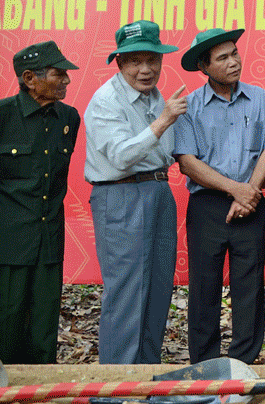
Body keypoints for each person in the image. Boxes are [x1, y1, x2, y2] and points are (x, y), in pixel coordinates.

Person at [84, 20, 186, 364]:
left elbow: (167, 153)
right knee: (127, 293)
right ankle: (115, 388)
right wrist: (162, 122)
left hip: (157, 191)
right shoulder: (106, 100)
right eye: (134, 61)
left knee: (158, 291)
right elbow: (122, 156)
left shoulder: (157, 97)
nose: (145, 69)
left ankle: (144, 382)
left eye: (152, 60)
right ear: (119, 63)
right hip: (121, 195)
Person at [173, 28, 265, 364]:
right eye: (223, 57)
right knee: (205, 289)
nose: (234, 61)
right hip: (208, 206)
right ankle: (205, 364)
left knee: (249, 288)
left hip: (251, 203)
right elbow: (188, 163)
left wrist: (249, 193)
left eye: (235, 53)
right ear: (204, 66)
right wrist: (236, 190)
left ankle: (244, 362)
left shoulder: (260, 99)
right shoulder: (189, 107)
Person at [0, 41, 80, 364]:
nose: (67, 81)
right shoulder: (3, 116)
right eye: (59, 74)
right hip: (9, 245)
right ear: (30, 78)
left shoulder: (68, 118)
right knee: (7, 320)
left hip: (49, 241)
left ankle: (42, 393)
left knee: (44, 326)